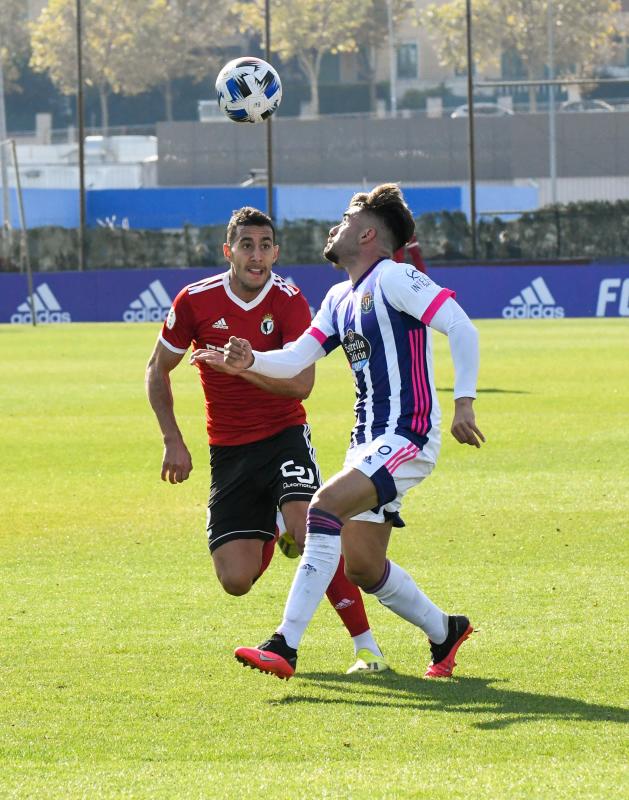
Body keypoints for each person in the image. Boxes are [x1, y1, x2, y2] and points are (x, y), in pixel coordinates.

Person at [192, 185, 484, 681]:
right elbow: (296, 358)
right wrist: (247, 362)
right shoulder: (338, 297)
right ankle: (446, 629)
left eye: (348, 218)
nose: (337, 226)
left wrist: (464, 403)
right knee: (364, 567)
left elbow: (461, 327)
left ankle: (285, 644)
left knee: (321, 509)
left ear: (368, 233)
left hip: (406, 434)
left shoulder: (394, 277)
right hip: (367, 441)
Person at [145, 206, 387, 675]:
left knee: (311, 528)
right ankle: (272, 527)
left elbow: (302, 385)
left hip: (283, 438)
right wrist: (172, 440)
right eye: (246, 245)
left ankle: (367, 648)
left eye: (265, 246)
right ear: (228, 251)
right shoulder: (195, 301)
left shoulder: (290, 300)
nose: (257, 256)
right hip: (229, 452)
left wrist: (246, 365)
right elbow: (158, 369)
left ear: (276, 252)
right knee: (235, 581)